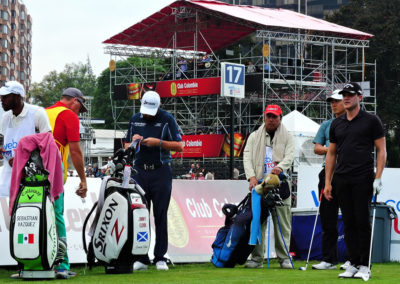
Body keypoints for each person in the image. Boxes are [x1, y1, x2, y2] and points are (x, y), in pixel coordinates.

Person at [324, 82, 386, 280]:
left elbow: (381, 150)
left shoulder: (371, 121)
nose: (346, 98)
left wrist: (378, 177)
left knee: (361, 222)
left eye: (350, 94)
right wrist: (327, 182)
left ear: (360, 97)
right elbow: (331, 154)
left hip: (362, 177)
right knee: (348, 222)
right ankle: (353, 263)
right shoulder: (337, 124)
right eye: (344, 95)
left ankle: (365, 266)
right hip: (341, 178)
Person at [125, 91, 183, 271]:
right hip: (139, 172)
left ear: (158, 106)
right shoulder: (135, 119)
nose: (148, 114)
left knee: (160, 214)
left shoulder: (167, 119)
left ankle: (160, 256)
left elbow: (179, 146)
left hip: (161, 171)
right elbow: (126, 146)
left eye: (151, 110)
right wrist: (133, 143)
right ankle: (141, 257)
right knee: (140, 216)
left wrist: (159, 142)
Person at [243, 104, 295, 269]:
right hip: (259, 185)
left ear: (280, 118)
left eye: (275, 117)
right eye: (269, 116)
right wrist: (251, 177)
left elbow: (290, 156)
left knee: (282, 224)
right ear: (265, 117)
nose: (271, 120)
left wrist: (281, 167)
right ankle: (256, 258)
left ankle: (284, 258)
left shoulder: (288, 136)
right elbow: (247, 158)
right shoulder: (253, 136)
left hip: (280, 184)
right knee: (258, 222)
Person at [45, 87, 88, 279]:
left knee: (41, 218)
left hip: (32, 175)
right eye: (80, 107)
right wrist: (83, 179)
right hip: (54, 175)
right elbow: (75, 151)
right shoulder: (69, 115)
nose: (79, 111)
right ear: (75, 101)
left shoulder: (43, 112)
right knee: (57, 218)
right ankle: (61, 264)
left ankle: (38, 260)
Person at [312, 90, 348, 270]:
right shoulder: (326, 125)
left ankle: (352, 259)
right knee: (328, 219)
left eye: (337, 101)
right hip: (328, 174)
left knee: (351, 218)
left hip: (349, 174)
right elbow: (317, 148)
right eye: (332, 102)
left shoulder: (352, 124)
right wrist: (331, 150)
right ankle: (329, 259)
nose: (334, 104)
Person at [0, 81, 52, 197]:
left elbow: (49, 146)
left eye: (5, 97)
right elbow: (4, 145)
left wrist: (24, 160)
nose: (2, 100)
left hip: (33, 179)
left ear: (18, 96)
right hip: (8, 178)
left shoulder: (37, 113)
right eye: (1, 97)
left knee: (31, 213)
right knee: (7, 214)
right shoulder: (5, 118)